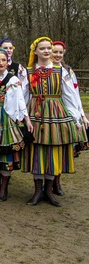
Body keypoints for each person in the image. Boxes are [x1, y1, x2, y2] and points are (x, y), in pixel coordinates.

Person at [22, 37, 82, 207]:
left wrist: (75, 118)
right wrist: (24, 117)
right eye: (43, 49)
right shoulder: (28, 72)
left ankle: (49, 190)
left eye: (49, 48)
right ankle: (38, 190)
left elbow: (70, 96)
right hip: (35, 113)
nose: (47, 51)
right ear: (36, 51)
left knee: (52, 150)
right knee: (37, 150)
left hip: (56, 113)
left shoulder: (62, 71)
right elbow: (23, 96)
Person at [0, 48, 31, 201]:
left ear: (7, 62)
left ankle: (4, 189)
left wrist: (26, 118)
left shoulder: (12, 79)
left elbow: (20, 100)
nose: (1, 63)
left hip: (5, 118)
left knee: (5, 153)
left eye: (3, 60)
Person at [51, 40, 89, 195]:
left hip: (67, 112)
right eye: (55, 52)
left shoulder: (68, 71)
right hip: (52, 112)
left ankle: (57, 182)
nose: (57, 55)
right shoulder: (44, 70)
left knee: (62, 149)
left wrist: (80, 114)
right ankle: (48, 182)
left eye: (60, 52)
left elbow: (74, 94)